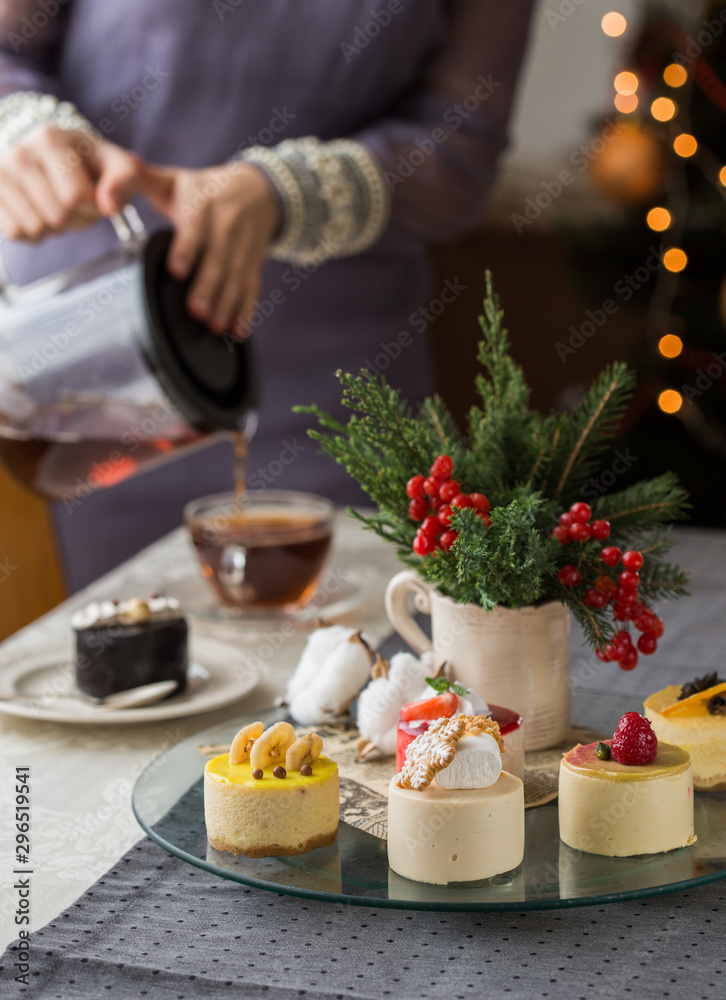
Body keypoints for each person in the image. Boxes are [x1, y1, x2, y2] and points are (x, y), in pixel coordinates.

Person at [0, 0, 533, 589]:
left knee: (346, 659)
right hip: (67, 388)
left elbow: (461, 153)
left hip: (339, 408)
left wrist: (283, 193)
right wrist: (22, 131)